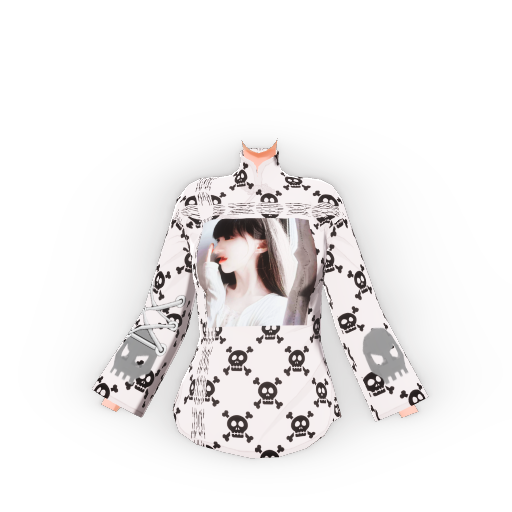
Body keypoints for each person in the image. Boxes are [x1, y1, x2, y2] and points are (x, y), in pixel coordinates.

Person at [204, 218, 291, 327]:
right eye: (218, 240)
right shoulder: (213, 293)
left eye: (228, 238)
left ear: (261, 245)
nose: (216, 250)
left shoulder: (278, 308)